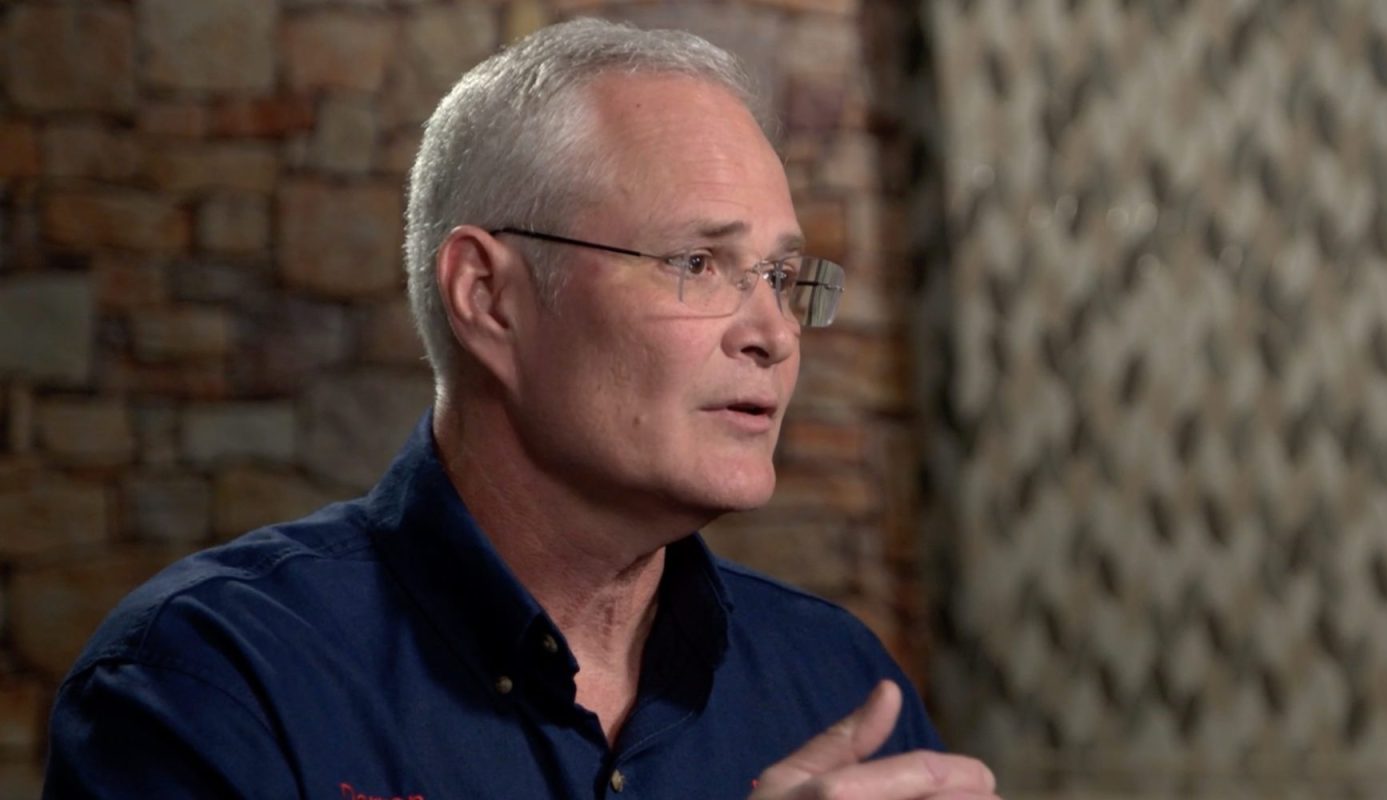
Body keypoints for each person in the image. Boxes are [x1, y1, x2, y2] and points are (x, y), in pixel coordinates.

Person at [43, 17, 998, 800]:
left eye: (783, 277)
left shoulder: (840, 685)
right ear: (489, 298)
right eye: (698, 263)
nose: (774, 334)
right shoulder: (208, 682)